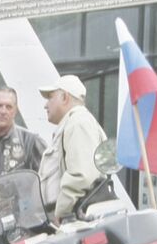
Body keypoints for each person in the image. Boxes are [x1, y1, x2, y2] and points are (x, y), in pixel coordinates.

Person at [38, 74, 108, 222]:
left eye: (50, 97)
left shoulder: (78, 122)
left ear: (65, 97)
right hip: (72, 216)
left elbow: (82, 175)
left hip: (74, 218)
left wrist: (61, 213)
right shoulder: (74, 122)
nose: (45, 105)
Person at [0, 87, 46, 176]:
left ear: (15, 111)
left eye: (9, 107)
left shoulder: (31, 142)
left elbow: (47, 177)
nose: (3, 111)